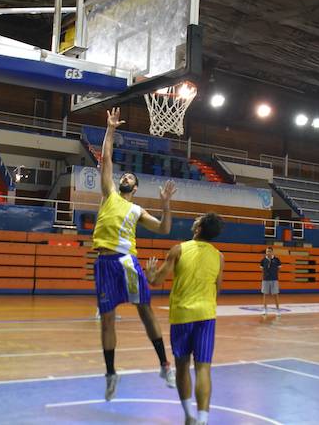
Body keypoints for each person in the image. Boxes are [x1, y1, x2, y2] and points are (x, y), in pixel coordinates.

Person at [92, 107, 177, 400]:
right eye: (123, 174)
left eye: (130, 176)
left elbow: (164, 229)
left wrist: (166, 204)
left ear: (136, 187)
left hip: (127, 262)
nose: (125, 176)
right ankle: (111, 373)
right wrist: (111, 129)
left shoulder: (138, 209)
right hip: (104, 262)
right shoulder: (109, 193)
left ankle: (165, 365)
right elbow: (106, 158)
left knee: (145, 311)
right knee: (107, 319)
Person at [147, 213, 224, 425]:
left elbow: (156, 281)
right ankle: (202, 419)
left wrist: (150, 273)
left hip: (182, 316)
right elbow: (218, 289)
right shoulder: (219, 256)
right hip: (206, 316)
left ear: (198, 229)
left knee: (182, 367)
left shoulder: (179, 249)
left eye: (198, 220)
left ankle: (188, 415)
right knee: (203, 368)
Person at [260, 247, 282, 317]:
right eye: (267, 251)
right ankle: (265, 309)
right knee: (265, 294)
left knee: (276, 295)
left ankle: (278, 310)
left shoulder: (277, 259)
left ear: (272, 252)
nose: (268, 252)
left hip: (274, 279)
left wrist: (274, 274)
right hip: (265, 280)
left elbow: (279, 269)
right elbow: (262, 270)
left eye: (269, 251)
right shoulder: (263, 260)